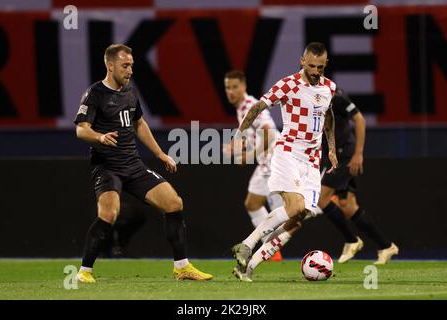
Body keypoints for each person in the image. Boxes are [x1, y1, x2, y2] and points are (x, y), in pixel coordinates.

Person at [74, 44, 212, 283]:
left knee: (173, 202)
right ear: (110, 65)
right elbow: (80, 130)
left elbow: (139, 124)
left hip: (133, 165)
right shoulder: (95, 93)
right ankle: (84, 272)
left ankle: (182, 268)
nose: (130, 71)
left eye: (132, 66)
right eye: (125, 66)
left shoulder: (130, 92)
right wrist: (99, 137)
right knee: (109, 213)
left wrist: (160, 154)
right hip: (107, 166)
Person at [231, 42, 338, 282]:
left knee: (298, 220)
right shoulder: (287, 84)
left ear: (326, 65)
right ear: (302, 61)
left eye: (320, 67)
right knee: (295, 207)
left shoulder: (329, 88)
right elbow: (259, 107)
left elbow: (328, 116)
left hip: (312, 161)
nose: (315, 71)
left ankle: (248, 267)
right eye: (311, 65)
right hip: (288, 152)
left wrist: (331, 148)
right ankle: (247, 244)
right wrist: (238, 135)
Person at [317, 88, 398, 265]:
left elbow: (359, 119)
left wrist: (358, 154)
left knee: (322, 199)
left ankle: (352, 240)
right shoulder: (311, 95)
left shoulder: (336, 97)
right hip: (334, 155)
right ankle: (386, 246)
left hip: (345, 156)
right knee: (348, 205)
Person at [223, 70, 284, 262]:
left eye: (235, 87)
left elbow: (269, 134)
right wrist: (240, 147)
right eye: (227, 88)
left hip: (276, 163)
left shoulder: (250, 105)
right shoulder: (241, 108)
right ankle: (272, 250)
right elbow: (257, 134)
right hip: (265, 164)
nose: (231, 91)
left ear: (244, 87)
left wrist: (248, 155)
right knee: (252, 203)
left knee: (290, 215)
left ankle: (323, 201)